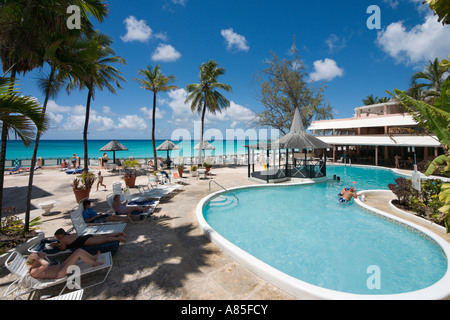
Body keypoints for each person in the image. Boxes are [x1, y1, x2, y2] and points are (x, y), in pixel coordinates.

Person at [26, 249, 103, 280]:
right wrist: (38, 258)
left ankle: (93, 258)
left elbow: (44, 254)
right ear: (35, 261)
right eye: (38, 259)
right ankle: (95, 263)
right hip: (60, 273)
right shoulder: (34, 271)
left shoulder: (36, 264)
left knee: (78, 250)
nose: (40, 259)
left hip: (62, 266)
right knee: (78, 254)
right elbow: (46, 264)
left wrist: (38, 254)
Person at [50, 228, 127, 251]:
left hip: (85, 241)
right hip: (86, 237)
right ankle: (119, 232)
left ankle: (119, 238)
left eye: (57, 236)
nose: (57, 238)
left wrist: (57, 244)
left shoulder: (62, 240)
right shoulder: (70, 234)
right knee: (105, 236)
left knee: (105, 240)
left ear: (61, 235)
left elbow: (63, 248)